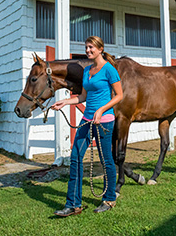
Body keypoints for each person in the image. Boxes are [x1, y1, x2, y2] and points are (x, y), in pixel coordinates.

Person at [51, 36, 123, 217]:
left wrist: (102, 110)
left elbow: (119, 95)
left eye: (91, 47)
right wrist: (65, 102)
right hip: (87, 119)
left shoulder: (109, 69)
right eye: (86, 47)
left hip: (104, 121)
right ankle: (73, 204)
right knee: (75, 157)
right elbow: (83, 97)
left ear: (100, 49)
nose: (88, 50)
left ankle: (109, 199)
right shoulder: (87, 71)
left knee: (106, 160)